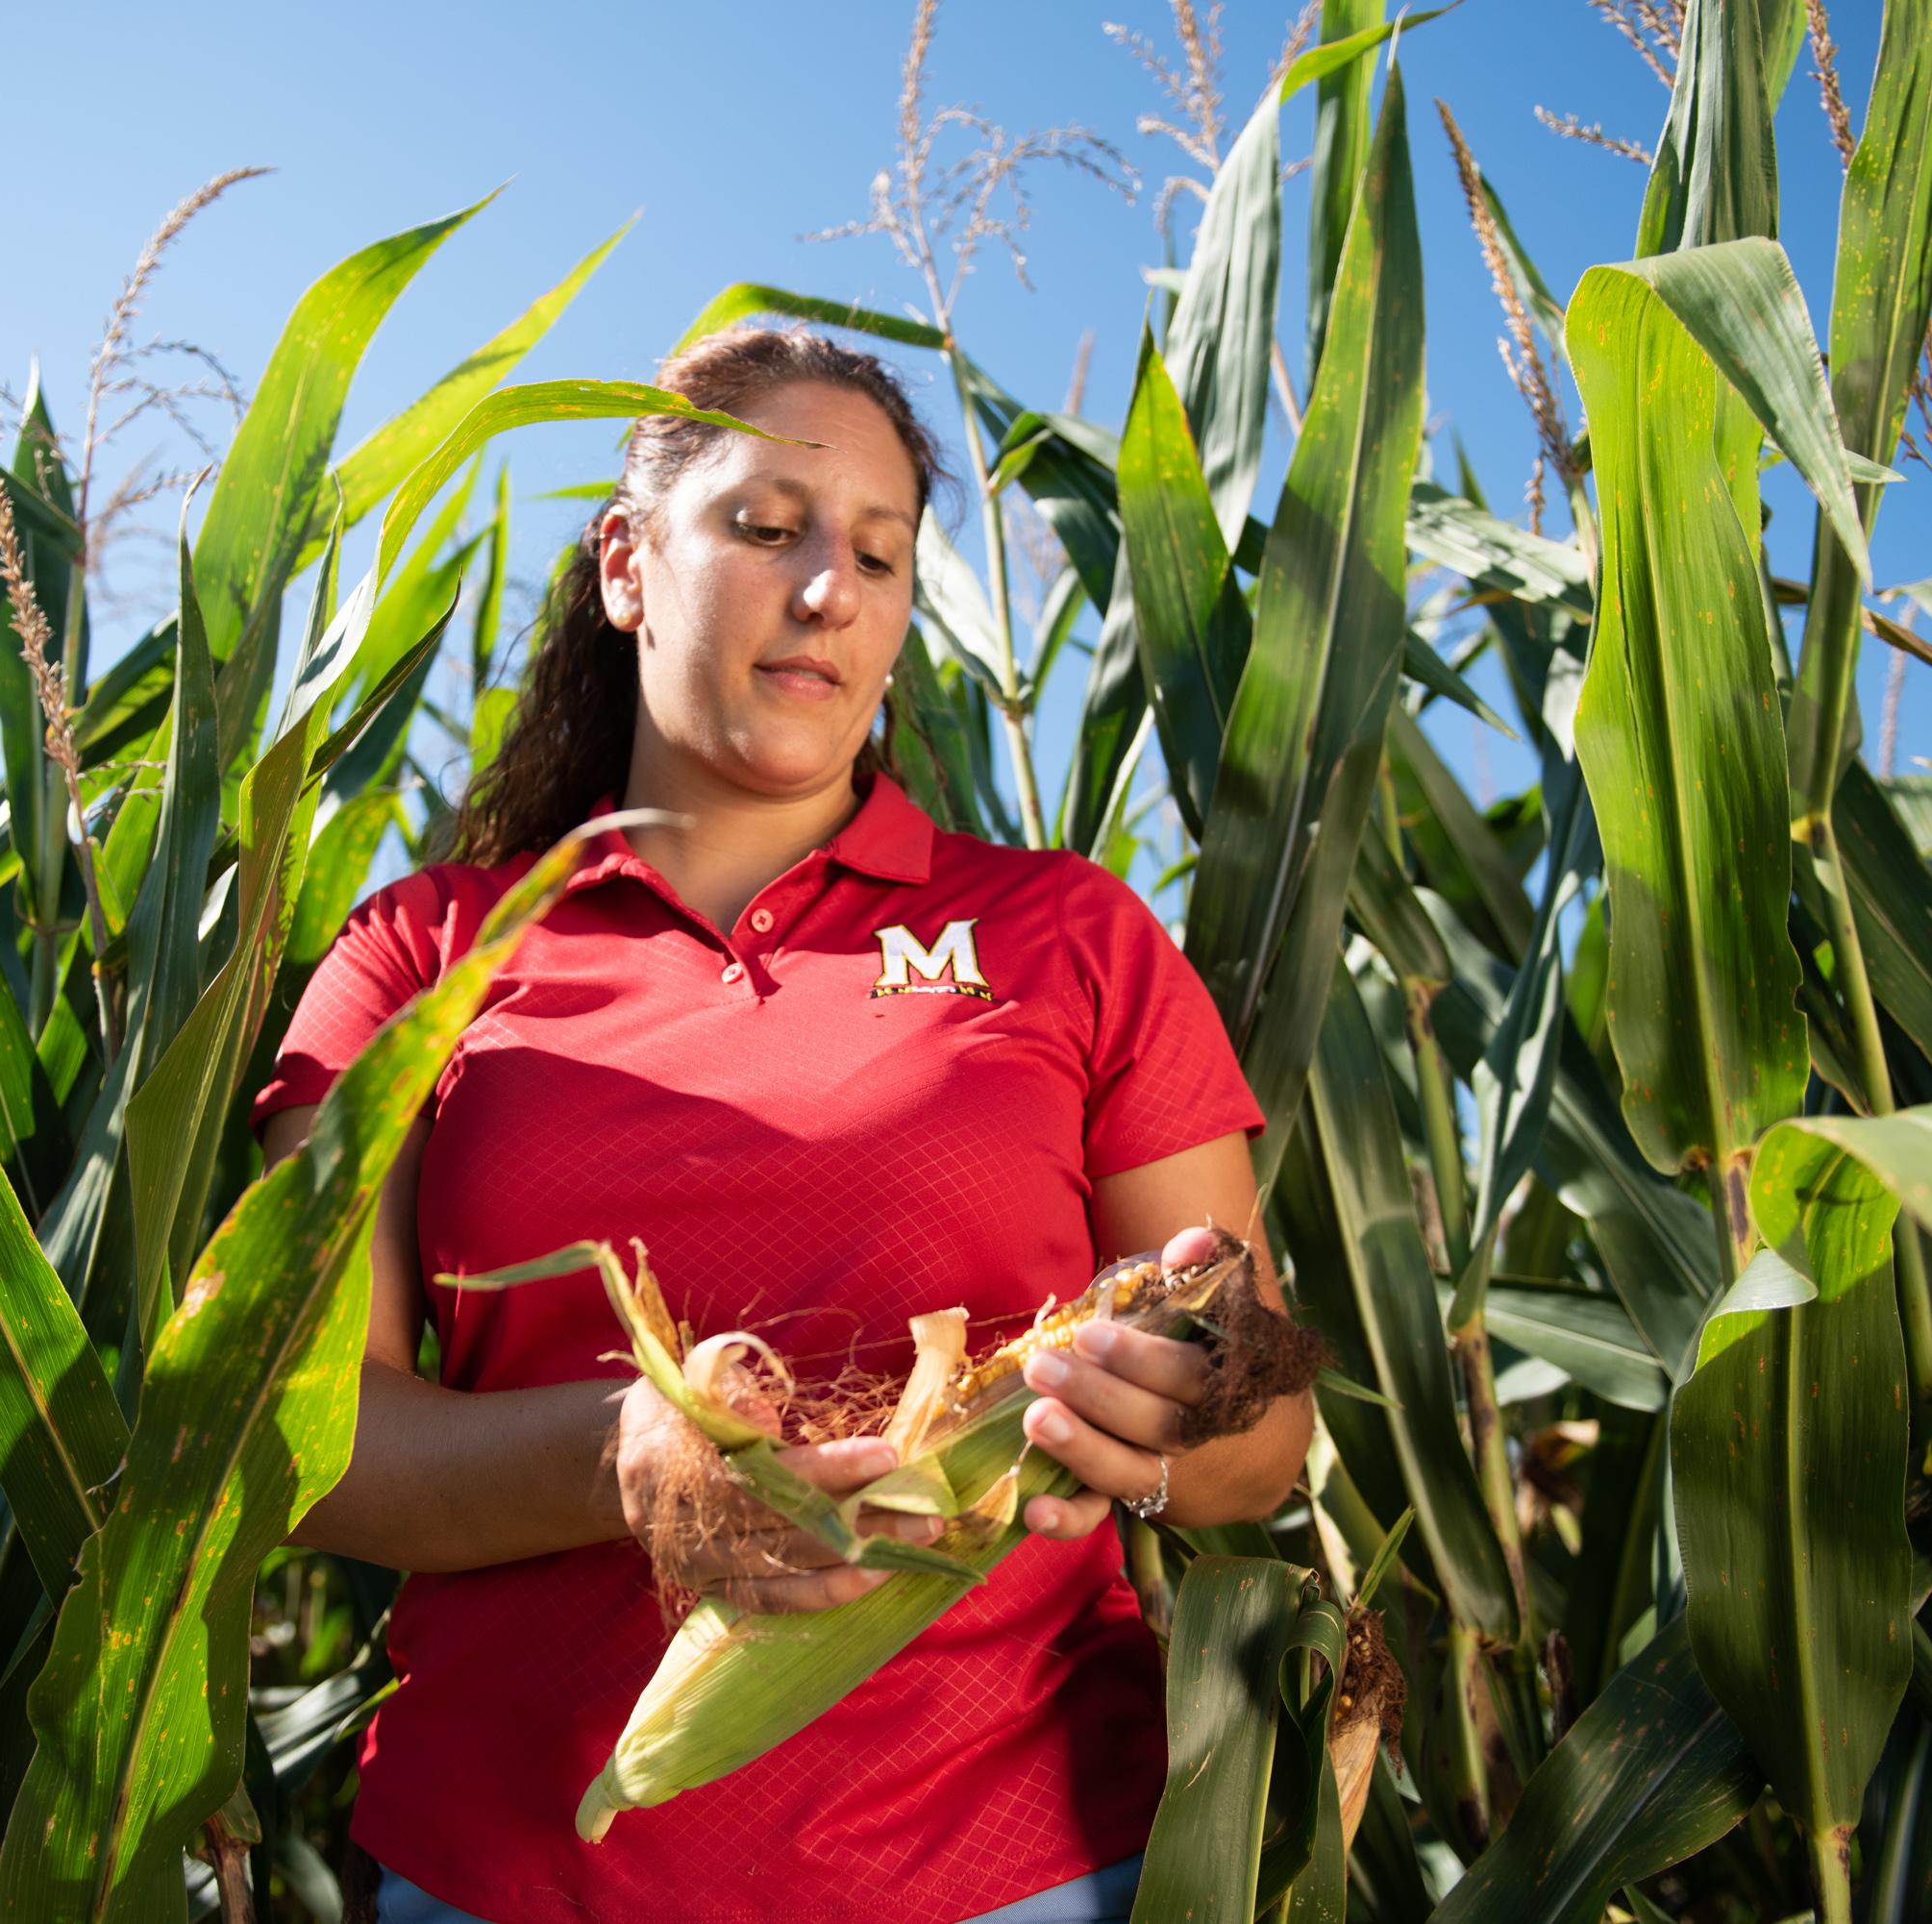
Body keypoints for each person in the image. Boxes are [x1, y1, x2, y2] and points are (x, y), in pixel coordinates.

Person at [251, 325, 1314, 1924]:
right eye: (768, 528)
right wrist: (627, 1459)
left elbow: (1261, 1441)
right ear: (627, 563)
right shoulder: (422, 954)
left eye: (879, 556)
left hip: (1016, 1867)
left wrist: (1174, 1414)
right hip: (517, 1874)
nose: (832, 591)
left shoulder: (1071, 935)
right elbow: (302, 1440)